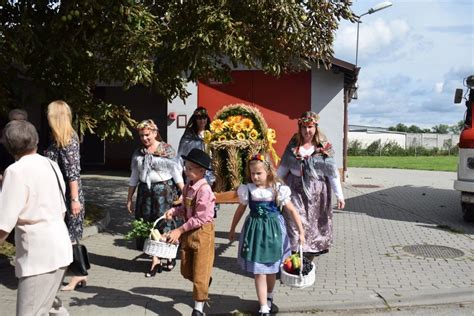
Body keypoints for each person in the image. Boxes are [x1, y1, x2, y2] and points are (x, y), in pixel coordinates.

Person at [0, 120, 72, 316]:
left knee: (30, 311)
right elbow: (62, 208)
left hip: (38, 256)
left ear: (8, 146)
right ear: (36, 140)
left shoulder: (15, 171)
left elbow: (3, 224)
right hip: (60, 246)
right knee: (51, 306)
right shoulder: (50, 163)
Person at [228, 153, 305, 316]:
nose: (255, 177)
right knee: (259, 271)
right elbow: (240, 210)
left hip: (274, 231)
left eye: (258, 173)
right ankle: (263, 306)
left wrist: (301, 231)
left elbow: (292, 210)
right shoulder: (248, 190)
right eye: (252, 173)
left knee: (271, 269)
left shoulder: (277, 189)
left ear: (268, 171)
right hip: (255, 232)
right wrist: (233, 228)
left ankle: (269, 295)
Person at [277, 111, 345, 262]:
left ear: (315, 127)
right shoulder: (293, 147)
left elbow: (332, 173)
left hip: (318, 194)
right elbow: (282, 170)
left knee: (314, 226)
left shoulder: (324, 148)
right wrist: (271, 189)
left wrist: (340, 195)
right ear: (299, 128)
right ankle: (295, 257)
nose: (307, 131)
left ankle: (307, 261)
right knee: (295, 222)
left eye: (310, 127)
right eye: (304, 127)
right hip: (295, 191)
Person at [127, 119, 184, 277]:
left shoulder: (166, 150)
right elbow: (134, 176)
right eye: (141, 136)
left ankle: (169, 255)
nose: (144, 139)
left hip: (163, 192)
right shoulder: (139, 152)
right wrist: (129, 198)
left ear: (154, 132)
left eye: (147, 135)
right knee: (149, 225)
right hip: (145, 192)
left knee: (165, 223)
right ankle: (155, 260)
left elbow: (176, 173)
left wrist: (184, 192)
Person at [164, 148, 215, 316]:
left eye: (191, 168)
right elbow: (186, 209)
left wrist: (178, 230)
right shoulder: (187, 187)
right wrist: (174, 211)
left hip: (202, 233)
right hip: (189, 232)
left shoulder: (205, 190)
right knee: (186, 270)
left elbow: (200, 218)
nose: (187, 171)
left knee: (200, 271)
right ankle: (204, 283)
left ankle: (198, 309)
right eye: (186, 167)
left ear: (202, 171)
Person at [44, 100, 87, 291]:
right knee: (68, 235)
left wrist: (74, 199)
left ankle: (78, 274)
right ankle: (77, 273)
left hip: (68, 195)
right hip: (59, 194)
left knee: (69, 236)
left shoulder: (68, 139)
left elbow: (73, 172)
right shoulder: (57, 138)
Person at [0, 109, 28, 187]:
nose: (17, 123)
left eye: (21, 120)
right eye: (14, 120)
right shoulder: (3, 142)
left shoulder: (31, 139)